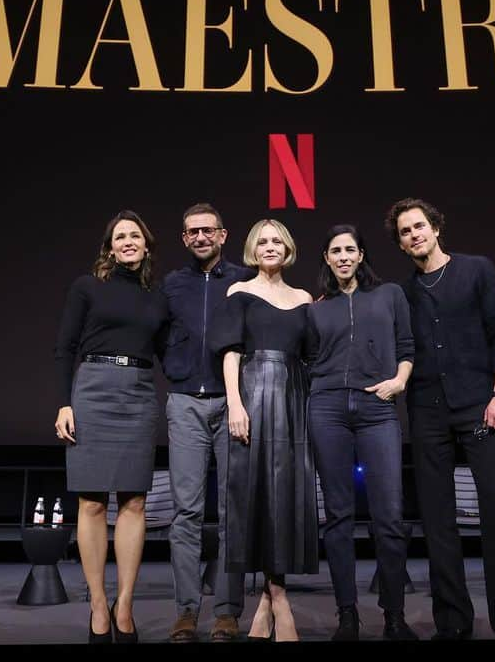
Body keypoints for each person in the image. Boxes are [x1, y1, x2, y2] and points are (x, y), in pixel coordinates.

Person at [386, 198, 495, 640]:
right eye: (405, 232)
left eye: (419, 226)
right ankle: (452, 621)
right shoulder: (403, 292)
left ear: (435, 227)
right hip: (427, 412)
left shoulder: (476, 270)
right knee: (437, 520)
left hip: (479, 405)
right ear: (401, 244)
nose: (414, 235)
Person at [53, 210, 169, 644]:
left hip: (139, 393)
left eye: (134, 235)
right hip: (93, 390)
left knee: (135, 503)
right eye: (119, 236)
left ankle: (125, 606)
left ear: (146, 244)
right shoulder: (87, 287)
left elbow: (167, 353)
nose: (127, 242)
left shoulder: (157, 298)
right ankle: (98, 605)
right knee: (92, 504)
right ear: (110, 246)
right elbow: (64, 347)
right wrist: (65, 403)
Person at [305, 224, 419, 641]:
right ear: (326, 258)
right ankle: (347, 615)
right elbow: (308, 360)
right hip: (328, 409)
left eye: (350, 250)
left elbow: (407, 347)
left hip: (378, 408)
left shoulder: (389, 295)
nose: (343, 257)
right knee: (338, 516)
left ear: (361, 255)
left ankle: (393, 614)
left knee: (388, 516)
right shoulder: (316, 309)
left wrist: (399, 381)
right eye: (335, 251)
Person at [209, 219, 318, 642]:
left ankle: (270, 599)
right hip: (252, 395)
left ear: (287, 248)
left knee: (288, 497)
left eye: (277, 241)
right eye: (262, 241)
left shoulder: (304, 298)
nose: (270, 247)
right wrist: (235, 404)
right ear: (252, 249)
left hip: (294, 400)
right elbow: (231, 355)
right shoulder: (239, 293)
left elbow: (311, 357)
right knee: (252, 497)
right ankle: (277, 597)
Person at [160, 203, 252, 642]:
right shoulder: (171, 285)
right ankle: (184, 612)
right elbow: (158, 334)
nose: (200, 237)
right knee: (186, 513)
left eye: (207, 231)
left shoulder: (242, 280)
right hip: (185, 404)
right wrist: (177, 369)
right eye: (191, 232)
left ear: (223, 234)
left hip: (232, 406)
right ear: (184, 238)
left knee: (233, 510)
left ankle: (228, 612)